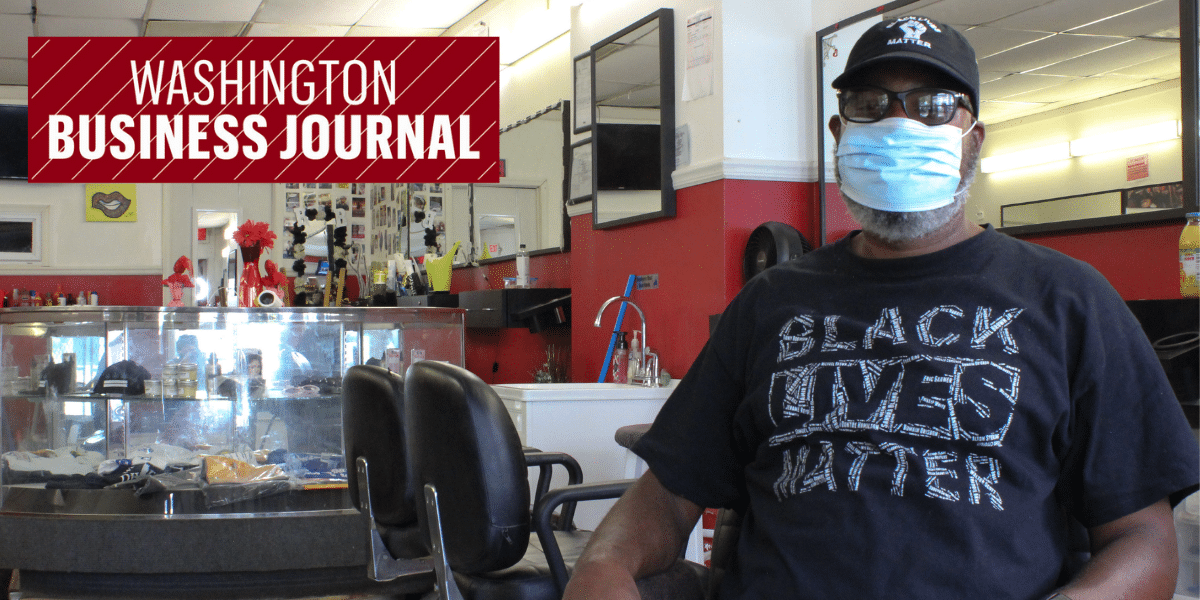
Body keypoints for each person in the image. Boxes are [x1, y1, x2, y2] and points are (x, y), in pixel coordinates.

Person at [564, 16, 1199, 600]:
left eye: (932, 107)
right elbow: (668, 494)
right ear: (839, 134)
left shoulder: (1069, 302)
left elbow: (1143, 541)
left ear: (973, 142)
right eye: (870, 105)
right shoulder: (771, 303)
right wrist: (603, 568)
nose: (900, 125)